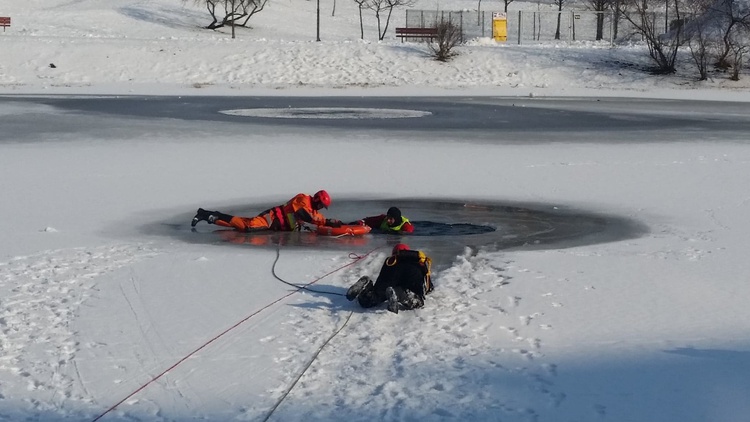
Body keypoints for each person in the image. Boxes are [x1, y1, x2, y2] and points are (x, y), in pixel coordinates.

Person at [191, 190, 342, 232]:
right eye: (321, 205)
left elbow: (316, 218)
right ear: (316, 199)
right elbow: (304, 215)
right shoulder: (303, 199)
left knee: (240, 225)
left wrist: (333, 223)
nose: (321, 208)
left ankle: (207, 215)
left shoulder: (314, 211)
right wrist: (325, 221)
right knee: (248, 227)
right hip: (271, 218)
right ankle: (209, 214)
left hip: (274, 224)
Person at [346, 243, 433, 314]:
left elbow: (382, 281)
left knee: (373, 298)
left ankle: (366, 285)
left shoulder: (390, 261)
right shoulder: (419, 262)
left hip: (392, 276)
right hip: (411, 280)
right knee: (417, 301)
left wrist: (379, 291)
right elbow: (428, 286)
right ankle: (397, 293)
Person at [349, 206, 414, 233]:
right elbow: (369, 220)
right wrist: (360, 222)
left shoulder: (406, 226)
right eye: (388, 217)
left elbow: (408, 234)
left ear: (396, 219)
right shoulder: (383, 218)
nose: (388, 220)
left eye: (391, 219)